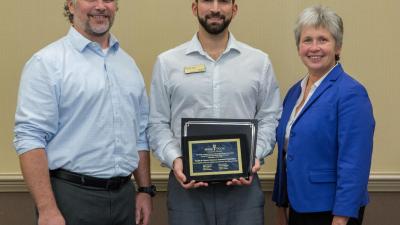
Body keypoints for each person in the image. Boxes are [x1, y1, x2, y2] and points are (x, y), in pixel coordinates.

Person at [13, 1, 154, 225]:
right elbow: (30, 138)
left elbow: (139, 133)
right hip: (70, 198)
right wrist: (47, 209)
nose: (100, 6)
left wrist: (145, 189)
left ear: (116, 6)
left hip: (125, 199)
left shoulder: (128, 65)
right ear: (70, 5)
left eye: (108, 0)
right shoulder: (47, 63)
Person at [148, 0, 281, 225]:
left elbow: (269, 117)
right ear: (194, 8)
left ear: (235, 9)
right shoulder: (167, 63)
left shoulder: (259, 62)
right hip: (186, 192)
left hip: (243, 193)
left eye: (224, 2)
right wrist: (176, 159)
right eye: (208, 1)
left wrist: (252, 156)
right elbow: (157, 123)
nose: (216, 8)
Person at [272, 5, 375, 225]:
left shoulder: (351, 92)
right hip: (296, 205)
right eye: (307, 40)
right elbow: (286, 155)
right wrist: (281, 204)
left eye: (323, 40)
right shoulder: (294, 93)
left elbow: (354, 162)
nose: (314, 47)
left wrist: (342, 217)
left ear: (337, 47)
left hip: (332, 211)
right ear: (298, 47)